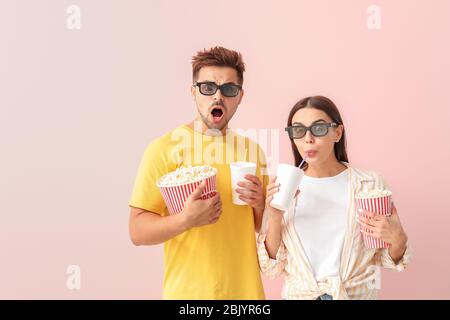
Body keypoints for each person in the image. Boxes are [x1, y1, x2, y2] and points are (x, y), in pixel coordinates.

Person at [129, 46, 268, 299]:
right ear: (193, 92)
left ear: (240, 96)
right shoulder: (164, 149)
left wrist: (259, 204)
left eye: (228, 89)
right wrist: (185, 220)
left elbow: (260, 225)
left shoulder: (253, 151)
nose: (218, 96)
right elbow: (137, 231)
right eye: (207, 88)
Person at [257, 96, 412, 299]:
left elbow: (383, 257)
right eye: (298, 130)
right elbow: (271, 269)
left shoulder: (370, 184)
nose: (308, 139)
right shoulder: (284, 186)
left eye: (319, 128)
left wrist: (399, 241)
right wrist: (275, 216)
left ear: (337, 132)